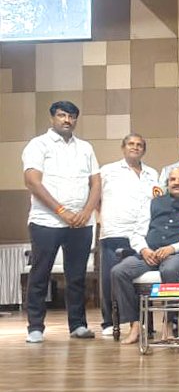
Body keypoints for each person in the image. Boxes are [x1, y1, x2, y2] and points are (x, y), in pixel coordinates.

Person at [22, 101, 101, 343]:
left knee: (76, 276)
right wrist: (61, 211)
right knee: (40, 274)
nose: (67, 120)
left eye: (72, 116)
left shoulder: (85, 148)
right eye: (62, 115)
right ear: (52, 118)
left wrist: (87, 211)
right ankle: (35, 327)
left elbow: (96, 183)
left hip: (81, 222)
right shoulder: (38, 144)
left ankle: (77, 325)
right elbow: (32, 181)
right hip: (46, 221)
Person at [110, 168, 179, 344]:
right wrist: (143, 249)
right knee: (119, 271)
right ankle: (135, 325)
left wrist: (174, 248)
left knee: (170, 270)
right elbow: (137, 233)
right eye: (173, 179)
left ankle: (168, 324)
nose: (176, 183)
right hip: (149, 255)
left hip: (178, 255)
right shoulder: (152, 204)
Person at [98, 134, 158, 337]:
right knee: (110, 277)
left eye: (139, 145)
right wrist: (104, 217)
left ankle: (142, 322)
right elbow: (96, 198)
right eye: (131, 144)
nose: (135, 147)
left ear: (144, 150)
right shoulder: (108, 170)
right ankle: (109, 321)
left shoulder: (152, 173)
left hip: (142, 233)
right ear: (123, 147)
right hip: (115, 231)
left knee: (138, 278)